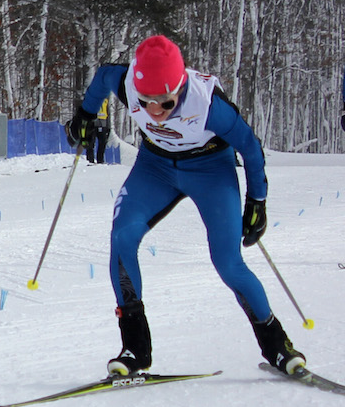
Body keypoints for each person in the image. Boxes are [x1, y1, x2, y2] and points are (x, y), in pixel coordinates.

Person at [68, 34, 303, 378]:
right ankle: (135, 348)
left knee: (228, 262)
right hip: (155, 168)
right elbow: (104, 75)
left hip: (210, 170)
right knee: (122, 238)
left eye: (165, 103)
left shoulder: (209, 105)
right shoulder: (125, 81)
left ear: (180, 87)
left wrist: (257, 201)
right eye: (146, 102)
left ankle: (277, 346)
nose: (155, 112)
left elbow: (251, 149)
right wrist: (85, 114)